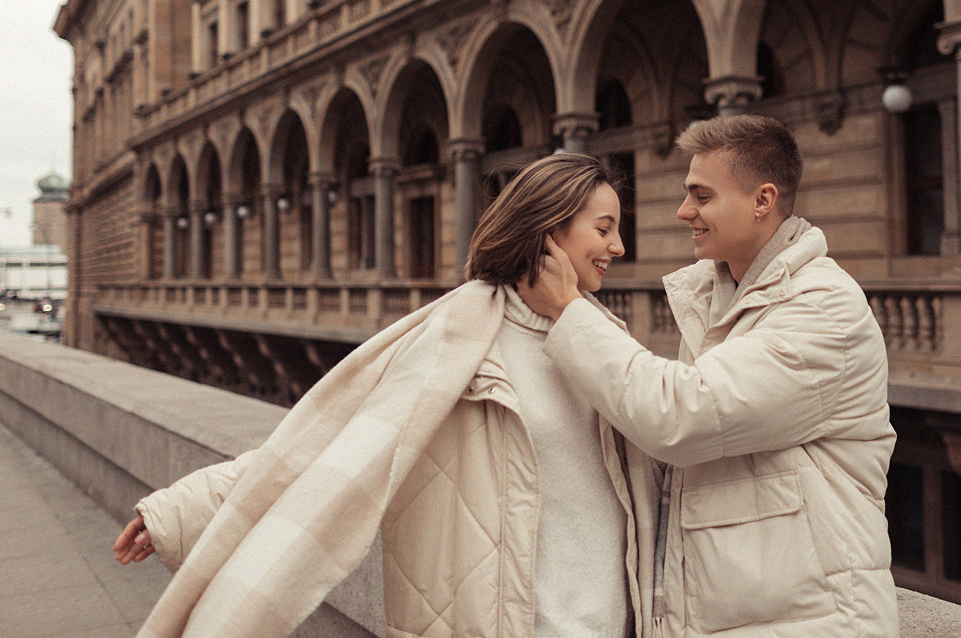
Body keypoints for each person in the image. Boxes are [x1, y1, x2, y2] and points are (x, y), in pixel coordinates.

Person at [114, 153, 657, 638]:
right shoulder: (462, 337)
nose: (619, 247)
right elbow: (327, 445)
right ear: (548, 229)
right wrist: (182, 511)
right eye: (603, 229)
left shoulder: (606, 341)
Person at [519, 115, 898, 638]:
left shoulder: (822, 308)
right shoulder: (722, 298)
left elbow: (681, 417)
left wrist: (568, 309)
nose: (683, 211)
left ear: (763, 200)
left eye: (702, 196)